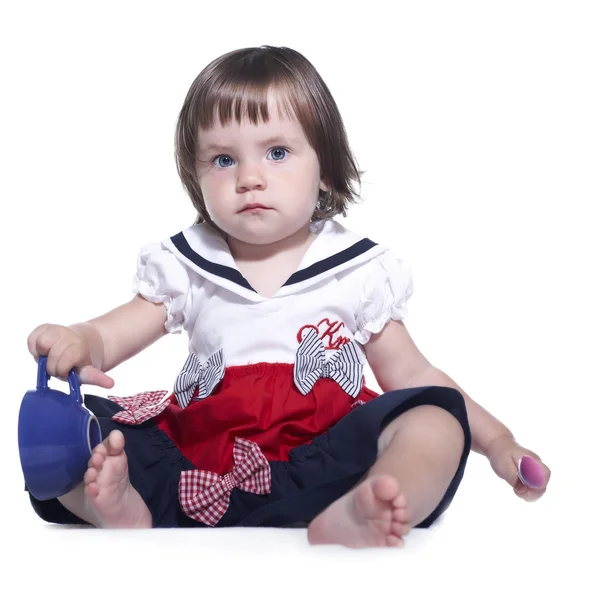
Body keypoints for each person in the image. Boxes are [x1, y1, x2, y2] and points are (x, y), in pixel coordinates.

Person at [25, 45, 550, 548]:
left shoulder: (357, 270)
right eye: (223, 160)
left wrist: (498, 441)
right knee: (83, 436)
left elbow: (413, 375)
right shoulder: (189, 266)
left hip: (326, 461)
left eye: (277, 153)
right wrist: (80, 341)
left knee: (432, 418)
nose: (251, 178)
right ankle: (121, 506)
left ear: (324, 170)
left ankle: (383, 497)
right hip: (203, 457)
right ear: (195, 176)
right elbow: (115, 331)